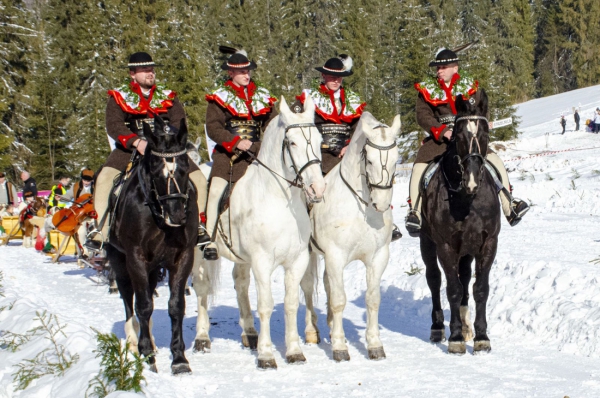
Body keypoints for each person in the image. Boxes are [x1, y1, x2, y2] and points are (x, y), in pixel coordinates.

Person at [84, 52, 209, 251]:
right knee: (105, 178)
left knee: (199, 179)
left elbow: (178, 121)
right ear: (132, 74)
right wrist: (135, 142)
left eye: (151, 69)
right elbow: (114, 126)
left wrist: (168, 139)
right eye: (145, 70)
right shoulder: (118, 98)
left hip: (167, 150)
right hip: (130, 150)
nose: (150, 73)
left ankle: (201, 227)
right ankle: (101, 231)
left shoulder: (169, 97)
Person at [405, 48, 529, 236]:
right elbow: (423, 116)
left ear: (455, 67)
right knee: (419, 168)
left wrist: (475, 129)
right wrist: (442, 131)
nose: (439, 71)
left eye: (443, 67)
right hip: (440, 139)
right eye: (438, 68)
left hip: (469, 137)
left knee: (495, 161)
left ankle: (509, 205)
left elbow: (482, 111)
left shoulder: (472, 87)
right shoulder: (426, 90)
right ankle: (415, 212)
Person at [293, 54, 402, 242]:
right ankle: (303, 227)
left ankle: (385, 219)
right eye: (331, 76)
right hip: (319, 155)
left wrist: (349, 145)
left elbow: (357, 128)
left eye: (339, 77)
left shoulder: (352, 100)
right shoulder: (309, 99)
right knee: (308, 188)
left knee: (373, 177)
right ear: (324, 77)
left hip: (346, 154)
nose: (335, 80)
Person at [202, 47, 278, 260]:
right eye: (242, 72)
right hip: (228, 155)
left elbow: (273, 124)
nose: (246, 75)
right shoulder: (219, 98)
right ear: (231, 74)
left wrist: (263, 144)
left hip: (258, 153)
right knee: (217, 189)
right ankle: (210, 237)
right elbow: (214, 128)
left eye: (248, 71)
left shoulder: (262, 97)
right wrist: (235, 142)